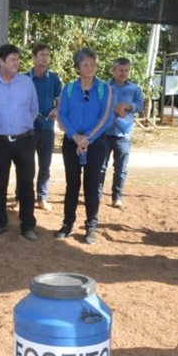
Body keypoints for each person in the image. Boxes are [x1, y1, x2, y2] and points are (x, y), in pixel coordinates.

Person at [0, 43, 39, 241]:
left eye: (18, 59)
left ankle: (28, 225)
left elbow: (34, 109)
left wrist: (21, 126)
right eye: (12, 59)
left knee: (27, 183)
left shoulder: (26, 82)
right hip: (0, 142)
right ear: (1, 62)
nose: (17, 62)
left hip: (25, 140)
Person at [55, 48, 115, 245]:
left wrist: (87, 138)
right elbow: (62, 115)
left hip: (95, 143)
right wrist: (75, 137)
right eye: (85, 64)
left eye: (92, 64)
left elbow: (106, 116)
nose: (90, 68)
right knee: (72, 184)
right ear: (78, 68)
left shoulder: (104, 88)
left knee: (92, 185)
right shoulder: (69, 89)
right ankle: (67, 224)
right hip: (72, 142)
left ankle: (91, 227)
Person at [98, 57, 144, 209]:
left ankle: (116, 198)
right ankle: (96, 196)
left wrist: (128, 106)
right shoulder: (103, 87)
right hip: (104, 133)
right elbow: (97, 105)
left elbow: (140, 104)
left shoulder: (134, 88)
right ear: (114, 70)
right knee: (100, 167)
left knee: (121, 169)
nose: (124, 73)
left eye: (126, 70)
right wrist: (112, 108)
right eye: (121, 70)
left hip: (123, 134)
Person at [26, 43, 62, 212]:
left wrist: (56, 110)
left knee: (45, 166)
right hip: (27, 130)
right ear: (34, 57)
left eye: (47, 54)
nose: (45, 57)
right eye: (41, 54)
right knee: (26, 165)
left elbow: (59, 101)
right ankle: (22, 196)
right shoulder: (25, 78)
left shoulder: (54, 78)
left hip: (47, 128)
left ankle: (42, 198)